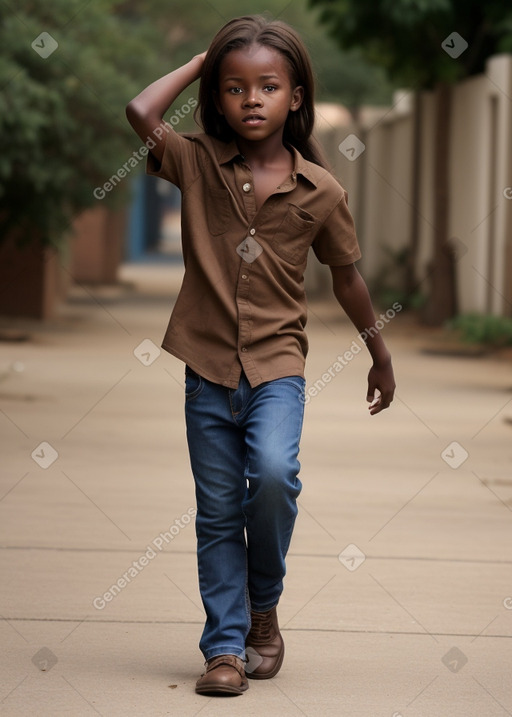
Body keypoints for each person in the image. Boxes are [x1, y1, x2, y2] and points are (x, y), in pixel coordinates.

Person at [126, 14, 395, 697]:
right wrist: (200, 57)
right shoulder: (195, 161)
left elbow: (347, 276)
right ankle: (224, 648)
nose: (251, 99)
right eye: (234, 86)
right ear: (216, 98)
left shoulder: (322, 190)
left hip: (278, 364)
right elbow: (139, 110)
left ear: (295, 97)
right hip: (207, 365)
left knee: (274, 476)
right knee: (217, 510)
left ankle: (263, 603)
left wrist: (379, 352)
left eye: (268, 86)